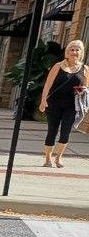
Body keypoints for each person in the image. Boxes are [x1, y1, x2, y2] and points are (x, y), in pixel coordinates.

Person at [37, 38, 86, 168]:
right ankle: (47, 159)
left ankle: (59, 158)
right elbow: (47, 85)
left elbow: (86, 88)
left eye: (77, 50)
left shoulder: (85, 69)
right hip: (53, 104)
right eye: (72, 49)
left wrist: (82, 91)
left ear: (81, 52)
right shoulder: (58, 66)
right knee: (52, 131)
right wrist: (43, 101)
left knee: (65, 132)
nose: (74, 52)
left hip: (71, 105)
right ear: (67, 51)